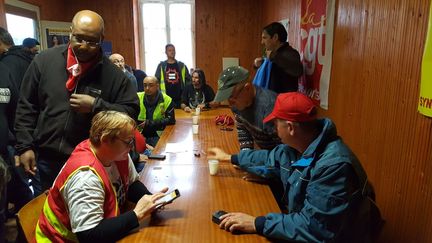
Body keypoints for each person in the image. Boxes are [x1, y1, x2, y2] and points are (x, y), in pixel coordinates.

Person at [208, 92, 383, 242]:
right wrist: (231, 158)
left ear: (290, 128)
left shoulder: (334, 166)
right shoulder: (297, 147)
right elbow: (268, 158)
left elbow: (314, 228)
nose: (274, 128)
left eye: (276, 123)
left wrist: (257, 223)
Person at [14, 10, 140, 196]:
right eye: (78, 38)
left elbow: (130, 112)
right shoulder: (44, 61)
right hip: (46, 160)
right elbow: (26, 106)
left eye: (91, 41)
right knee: (50, 215)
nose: (83, 46)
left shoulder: (113, 76)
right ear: (71, 32)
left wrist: (96, 106)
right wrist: (25, 146)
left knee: (85, 219)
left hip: (89, 165)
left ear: (101, 39)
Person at [35, 111, 169, 242]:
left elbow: (131, 184)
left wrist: (151, 200)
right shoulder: (85, 177)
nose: (132, 147)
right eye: (128, 142)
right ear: (105, 139)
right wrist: (137, 214)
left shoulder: (117, 153)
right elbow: (89, 235)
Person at [213, 66, 281, 150]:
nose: (230, 103)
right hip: (267, 155)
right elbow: (242, 129)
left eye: (231, 96)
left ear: (247, 88)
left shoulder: (270, 108)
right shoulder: (238, 104)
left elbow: (285, 152)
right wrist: (245, 154)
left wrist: (246, 158)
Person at [253, 22, 303, 93]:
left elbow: (298, 71)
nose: (262, 42)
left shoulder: (290, 53)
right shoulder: (271, 52)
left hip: (284, 101)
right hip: (271, 100)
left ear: (275, 37)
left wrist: (274, 56)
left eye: (264, 38)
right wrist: (257, 64)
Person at [137, 76, 175, 147]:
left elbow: (171, 120)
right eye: (145, 85)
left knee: (158, 152)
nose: (147, 88)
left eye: (151, 85)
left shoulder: (167, 99)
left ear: (157, 86)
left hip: (158, 134)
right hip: (140, 133)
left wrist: (149, 123)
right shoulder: (137, 97)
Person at [155, 44, 191, 108]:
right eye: (170, 50)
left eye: (173, 50)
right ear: (166, 52)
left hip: (180, 99)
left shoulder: (181, 65)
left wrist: (186, 96)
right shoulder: (161, 66)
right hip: (165, 98)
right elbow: (156, 81)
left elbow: (188, 81)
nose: (172, 52)